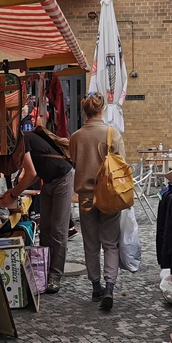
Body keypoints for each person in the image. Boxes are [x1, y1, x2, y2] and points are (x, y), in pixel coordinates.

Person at [0, 127, 74, 294]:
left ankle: (55, 275)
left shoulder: (23, 140)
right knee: (44, 228)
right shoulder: (24, 139)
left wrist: (14, 193)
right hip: (49, 181)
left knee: (58, 230)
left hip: (62, 177)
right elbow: (37, 170)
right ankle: (44, 268)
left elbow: (31, 173)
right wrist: (15, 190)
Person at [69, 92, 125, 310]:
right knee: (110, 243)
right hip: (110, 195)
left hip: (86, 197)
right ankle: (110, 287)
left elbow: (74, 161)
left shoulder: (76, 136)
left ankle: (96, 287)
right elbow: (122, 165)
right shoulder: (113, 133)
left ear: (85, 111)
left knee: (91, 244)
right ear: (101, 110)